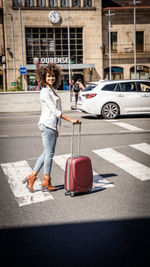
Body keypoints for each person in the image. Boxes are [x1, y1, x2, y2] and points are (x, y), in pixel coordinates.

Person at [22, 63, 79, 193]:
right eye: (48, 76)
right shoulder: (44, 92)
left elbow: (55, 112)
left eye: (53, 76)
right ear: (44, 77)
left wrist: (56, 127)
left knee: (46, 153)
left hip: (50, 125)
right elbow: (54, 111)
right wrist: (71, 120)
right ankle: (45, 181)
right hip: (46, 124)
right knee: (50, 154)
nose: (51, 78)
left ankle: (32, 177)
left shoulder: (52, 90)